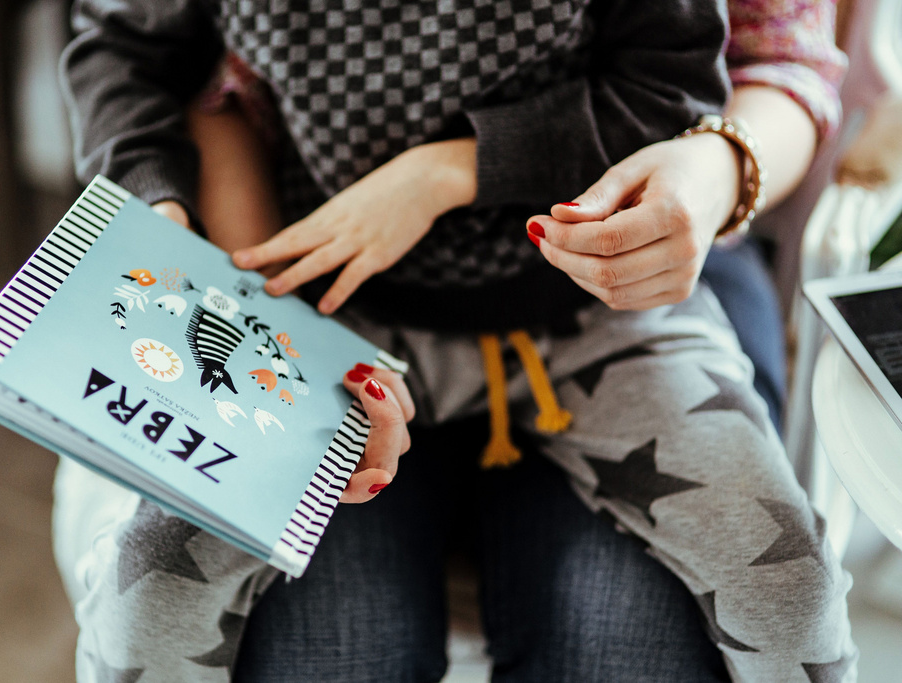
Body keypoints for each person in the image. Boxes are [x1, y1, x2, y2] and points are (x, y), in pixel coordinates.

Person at [57, 1, 856, 682]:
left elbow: (673, 92)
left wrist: (458, 169)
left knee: (788, 582)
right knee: (154, 587)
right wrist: (157, 215)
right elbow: (129, 54)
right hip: (331, 323)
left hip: (597, 316)